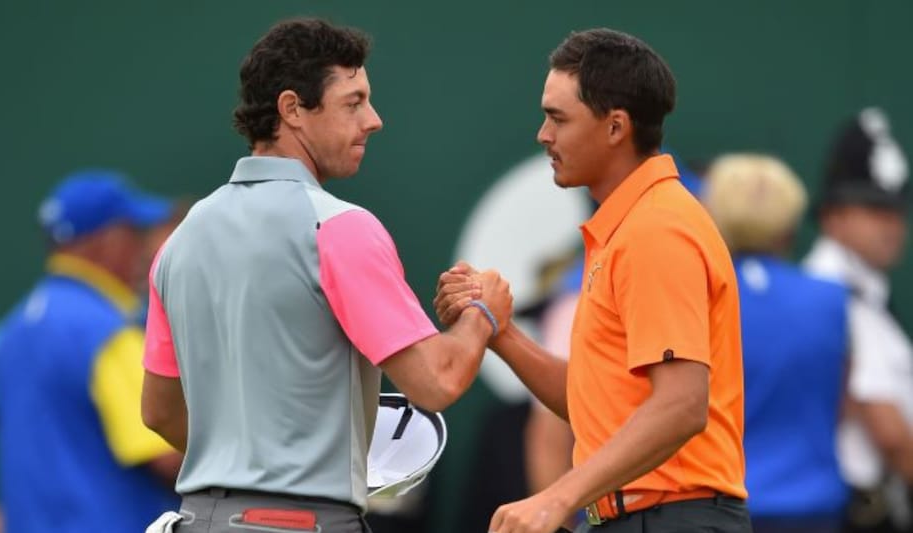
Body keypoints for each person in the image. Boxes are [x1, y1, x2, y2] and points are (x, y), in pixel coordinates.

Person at [139, 18, 511, 533]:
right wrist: (483, 312)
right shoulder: (340, 228)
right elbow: (437, 381)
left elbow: (159, 413)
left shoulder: (177, 244)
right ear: (293, 110)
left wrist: (250, 459)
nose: (374, 119)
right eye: (353, 102)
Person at [435, 28, 750, 532]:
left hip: (670, 519)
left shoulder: (656, 228)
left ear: (615, 127)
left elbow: (682, 405)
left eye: (558, 118)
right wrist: (502, 332)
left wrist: (557, 496)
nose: (543, 134)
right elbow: (593, 402)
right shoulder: (632, 226)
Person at [0, 170, 182, 533]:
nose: (144, 248)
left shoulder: (15, 329)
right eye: (135, 233)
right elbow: (165, 456)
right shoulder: (104, 331)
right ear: (108, 242)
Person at [706, 154, 851, 532]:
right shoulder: (832, 299)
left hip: (721, 503)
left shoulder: (699, 301)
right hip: (813, 509)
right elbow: (842, 402)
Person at [803, 107, 913, 533]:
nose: (890, 225)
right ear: (833, 216)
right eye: (872, 209)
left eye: (895, 211)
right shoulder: (831, 294)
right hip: (855, 510)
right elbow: (886, 429)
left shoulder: (866, 293)